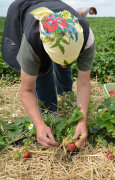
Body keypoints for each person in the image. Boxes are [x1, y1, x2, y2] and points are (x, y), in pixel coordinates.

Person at [2, 0, 95, 149]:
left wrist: (81, 121)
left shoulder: (87, 38)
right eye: (60, 61)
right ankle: (48, 113)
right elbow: (27, 90)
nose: (64, 66)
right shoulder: (32, 43)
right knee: (41, 74)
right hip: (23, 10)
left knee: (64, 67)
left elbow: (83, 82)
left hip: (58, 25)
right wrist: (39, 124)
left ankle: (64, 93)